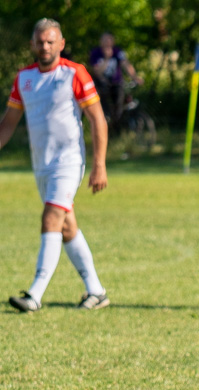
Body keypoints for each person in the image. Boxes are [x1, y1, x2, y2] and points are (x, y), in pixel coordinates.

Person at [0, 18, 110, 313]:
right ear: (32, 44)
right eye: (40, 41)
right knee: (66, 227)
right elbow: (7, 124)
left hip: (69, 162)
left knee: (50, 218)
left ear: (61, 44)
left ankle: (34, 295)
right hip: (41, 166)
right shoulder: (24, 78)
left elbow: (97, 119)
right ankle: (96, 291)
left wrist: (99, 164)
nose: (45, 46)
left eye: (51, 41)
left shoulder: (75, 73)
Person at [89, 32, 143, 127]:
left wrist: (135, 77)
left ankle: (117, 123)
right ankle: (105, 119)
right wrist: (106, 58)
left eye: (109, 40)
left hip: (116, 83)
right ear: (101, 42)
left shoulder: (118, 52)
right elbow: (97, 71)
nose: (107, 43)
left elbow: (126, 64)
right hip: (102, 84)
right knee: (103, 99)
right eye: (105, 40)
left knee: (119, 100)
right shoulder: (96, 53)